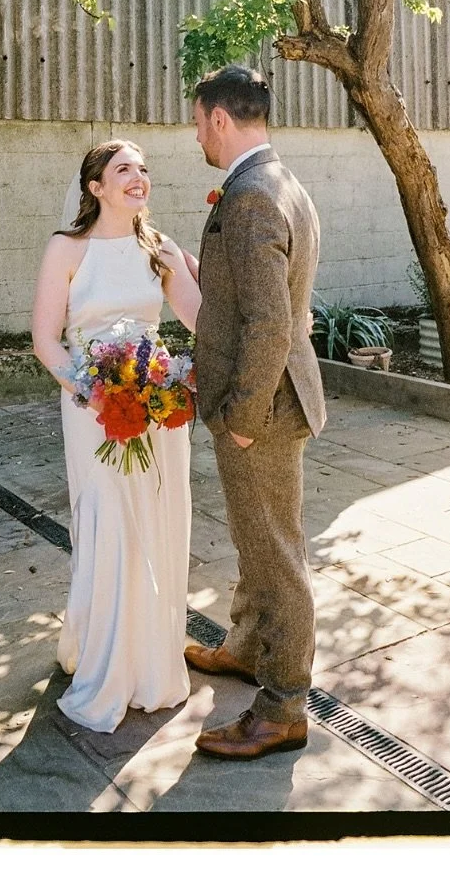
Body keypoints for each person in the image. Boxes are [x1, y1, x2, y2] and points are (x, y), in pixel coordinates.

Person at [31, 139, 202, 733]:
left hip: (156, 405)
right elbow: (45, 340)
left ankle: (150, 661)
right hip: (91, 408)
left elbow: (202, 319)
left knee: (154, 523)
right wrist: (93, 390)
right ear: (95, 187)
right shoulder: (66, 248)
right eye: (123, 168)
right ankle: (104, 659)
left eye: (143, 168)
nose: (138, 176)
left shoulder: (161, 250)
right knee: (109, 524)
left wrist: (269, 316)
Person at [184, 64, 326, 760]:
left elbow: (268, 325)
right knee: (256, 542)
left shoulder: (248, 198)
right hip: (274, 398)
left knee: (277, 557)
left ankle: (283, 708)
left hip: (262, 409)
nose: (197, 137)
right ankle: (245, 646)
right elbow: (264, 301)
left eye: (197, 122)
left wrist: (241, 417)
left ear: (219, 117)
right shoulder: (282, 181)